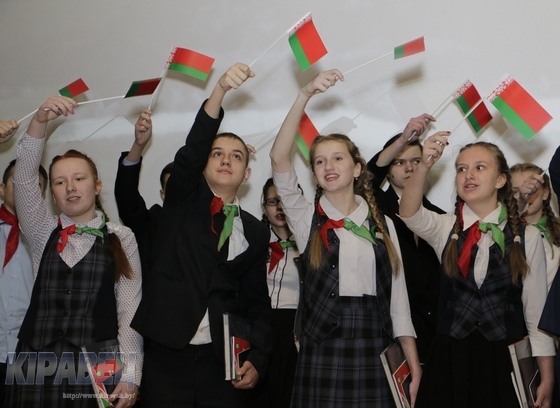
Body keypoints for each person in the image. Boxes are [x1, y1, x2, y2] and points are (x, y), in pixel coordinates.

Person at [270, 69, 421, 407]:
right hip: (321, 350)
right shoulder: (306, 219)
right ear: (314, 174)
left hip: (375, 347)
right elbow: (279, 158)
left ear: (357, 168)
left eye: (338, 158)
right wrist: (305, 93)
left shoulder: (384, 225)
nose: (329, 166)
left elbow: (398, 302)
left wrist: (412, 360)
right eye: (319, 161)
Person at [130, 63, 272, 407]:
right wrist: (220, 89)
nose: (225, 161)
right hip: (167, 352)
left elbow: (256, 302)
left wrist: (258, 357)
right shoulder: (182, 200)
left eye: (236, 156)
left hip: (222, 362)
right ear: (203, 165)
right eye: (216, 154)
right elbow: (192, 148)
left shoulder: (256, 231)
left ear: (246, 173)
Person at [399, 136, 555, 408]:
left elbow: (535, 313)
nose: (468, 175)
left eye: (479, 167)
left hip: (503, 361)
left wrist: (548, 377)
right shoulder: (446, 227)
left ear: (501, 180)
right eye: (461, 169)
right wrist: (423, 165)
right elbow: (409, 212)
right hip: (450, 359)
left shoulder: (527, 236)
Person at [8, 95, 143, 408]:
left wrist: (131, 375)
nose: (70, 187)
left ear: (97, 186)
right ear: (52, 194)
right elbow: (24, 178)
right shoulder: (42, 230)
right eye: (59, 182)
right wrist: (39, 121)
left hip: (100, 361)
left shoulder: (122, 237)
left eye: (79, 179)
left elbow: (129, 312)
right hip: (35, 360)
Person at [367, 123, 445, 364]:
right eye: (399, 162)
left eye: (416, 161)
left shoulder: (441, 217)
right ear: (388, 171)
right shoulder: (374, 208)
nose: (409, 168)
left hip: (432, 328)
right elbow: (367, 177)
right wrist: (402, 139)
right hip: (386, 323)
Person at [250, 178, 302, 408]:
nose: (280, 207)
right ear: (264, 207)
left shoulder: (310, 244)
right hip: (260, 327)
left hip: (295, 329)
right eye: (273, 202)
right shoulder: (254, 243)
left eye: (285, 201)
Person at [0, 160, 47, 407]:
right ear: (1, 188)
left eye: (34, 185)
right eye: (17, 182)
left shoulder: (52, 237)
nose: (24, 189)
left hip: (31, 355)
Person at [115, 109, 173, 291]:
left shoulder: (212, 222)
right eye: (172, 188)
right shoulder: (150, 223)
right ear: (163, 194)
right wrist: (138, 146)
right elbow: (127, 197)